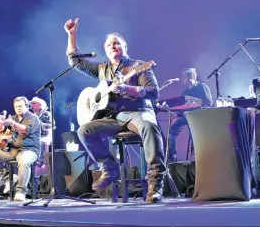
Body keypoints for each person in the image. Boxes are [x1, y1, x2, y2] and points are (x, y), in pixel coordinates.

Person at [64, 18, 166, 204]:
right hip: (115, 118)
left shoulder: (138, 66)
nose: (113, 46)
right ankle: (109, 167)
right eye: (109, 44)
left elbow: (154, 93)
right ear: (105, 49)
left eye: (117, 43)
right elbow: (76, 63)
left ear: (125, 47)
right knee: (84, 130)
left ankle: (155, 182)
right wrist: (72, 35)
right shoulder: (102, 69)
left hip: (138, 112)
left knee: (150, 126)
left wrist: (131, 89)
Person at [0, 96, 41, 201]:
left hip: (29, 150)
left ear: (27, 106)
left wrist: (12, 123)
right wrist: (1, 122)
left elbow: (25, 130)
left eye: (20, 106)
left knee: (24, 160)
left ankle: (21, 191)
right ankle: (8, 179)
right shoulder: (13, 118)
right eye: (16, 107)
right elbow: (1, 130)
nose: (18, 108)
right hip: (13, 150)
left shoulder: (33, 118)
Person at [168, 68, 213, 162]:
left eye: (183, 76)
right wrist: (174, 112)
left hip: (199, 116)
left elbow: (209, 103)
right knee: (172, 129)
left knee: (192, 127)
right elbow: (182, 107)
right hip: (187, 116)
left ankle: (195, 156)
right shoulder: (185, 92)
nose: (182, 79)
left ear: (190, 76)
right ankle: (172, 156)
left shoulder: (202, 87)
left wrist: (196, 110)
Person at [30, 97, 53, 168]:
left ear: (40, 105)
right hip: (34, 136)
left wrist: (38, 123)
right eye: (31, 103)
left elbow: (50, 126)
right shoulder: (31, 115)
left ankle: (41, 162)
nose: (32, 105)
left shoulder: (47, 114)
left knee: (39, 142)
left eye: (34, 103)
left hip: (44, 136)